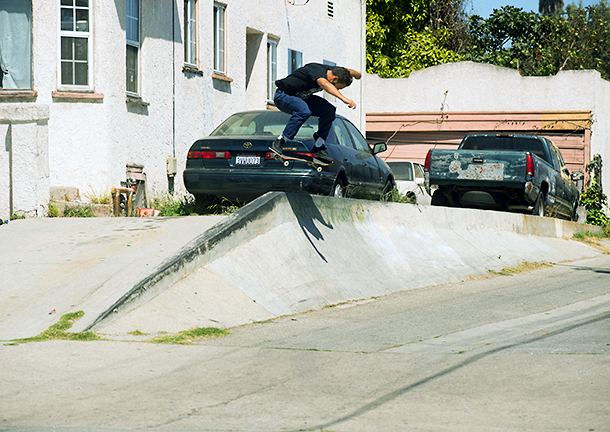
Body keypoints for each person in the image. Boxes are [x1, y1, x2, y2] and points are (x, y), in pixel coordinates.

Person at [272, 63, 361, 159]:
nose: (338, 89)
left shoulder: (335, 71)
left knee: (329, 110)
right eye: (338, 87)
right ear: (334, 79)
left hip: (303, 98)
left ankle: (318, 147)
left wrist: (358, 75)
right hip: (283, 96)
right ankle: (280, 141)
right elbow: (324, 84)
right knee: (304, 111)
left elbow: (348, 70)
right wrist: (344, 99)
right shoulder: (317, 72)